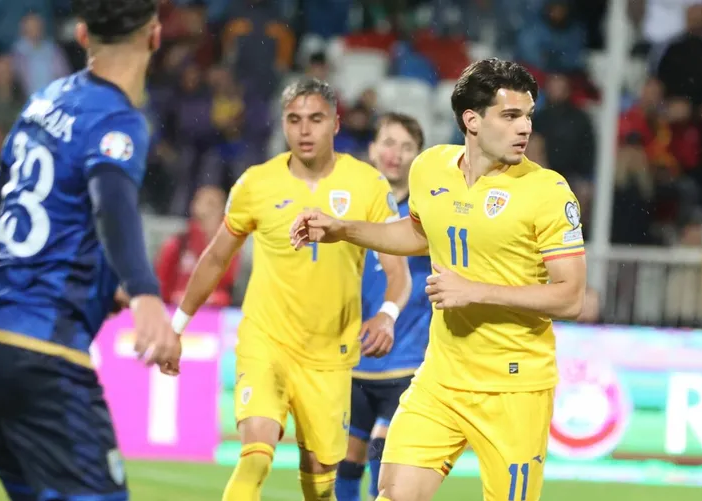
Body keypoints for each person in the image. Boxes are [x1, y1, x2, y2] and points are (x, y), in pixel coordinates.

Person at [290, 58, 588, 501]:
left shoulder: (547, 191)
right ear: (472, 120)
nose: (524, 127)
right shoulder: (431, 167)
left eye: (527, 115)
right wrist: (343, 229)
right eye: (510, 115)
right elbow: (417, 234)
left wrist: (475, 292)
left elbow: (570, 297)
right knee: (394, 494)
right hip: (441, 377)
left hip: (514, 387)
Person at [171, 78, 411, 501]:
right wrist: (176, 327)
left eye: (315, 119)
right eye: (294, 119)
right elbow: (215, 258)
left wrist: (387, 315)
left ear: (335, 124)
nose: (304, 130)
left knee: (319, 485)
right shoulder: (255, 183)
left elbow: (398, 270)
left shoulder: (367, 184)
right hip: (267, 341)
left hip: (330, 354)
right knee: (255, 455)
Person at [0, 0, 179, 499]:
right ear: (155, 35)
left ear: (81, 35)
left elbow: (4, 207)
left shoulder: (42, 101)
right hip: (43, 352)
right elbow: (110, 204)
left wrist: (102, 283)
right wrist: (144, 293)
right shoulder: (117, 118)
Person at [336, 113, 432, 501]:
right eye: (389, 143)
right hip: (353, 359)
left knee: (384, 454)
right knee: (346, 463)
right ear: (373, 149)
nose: (396, 154)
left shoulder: (429, 215)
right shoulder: (348, 211)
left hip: (408, 361)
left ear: (418, 157)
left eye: (407, 147)